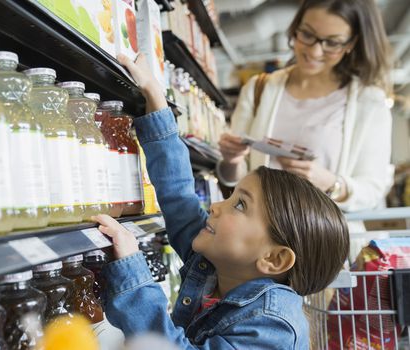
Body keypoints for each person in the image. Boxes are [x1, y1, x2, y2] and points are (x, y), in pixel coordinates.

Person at [90, 53, 350, 349]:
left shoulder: (273, 324)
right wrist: (155, 98)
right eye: (231, 196)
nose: (215, 206)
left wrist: (131, 273)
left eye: (240, 205)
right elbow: (179, 196)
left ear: (273, 259)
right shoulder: (219, 264)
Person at [217, 0, 393, 213]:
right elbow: (233, 179)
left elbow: (373, 189)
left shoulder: (369, 102)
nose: (315, 52)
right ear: (295, 27)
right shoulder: (260, 88)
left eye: (332, 43)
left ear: (351, 43)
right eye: (307, 35)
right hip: (259, 237)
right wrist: (232, 160)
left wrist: (331, 183)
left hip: (325, 241)